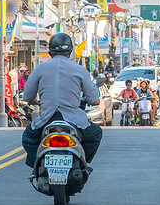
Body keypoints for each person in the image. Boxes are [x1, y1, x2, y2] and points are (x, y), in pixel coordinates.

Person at [21, 33, 102, 170]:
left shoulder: (40, 68)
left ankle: (37, 165)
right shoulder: (80, 69)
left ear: (50, 51)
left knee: (28, 137)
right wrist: (93, 102)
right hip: (74, 119)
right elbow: (94, 99)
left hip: (47, 118)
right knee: (95, 134)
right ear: (70, 52)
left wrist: (35, 102)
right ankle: (83, 164)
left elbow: (27, 96)